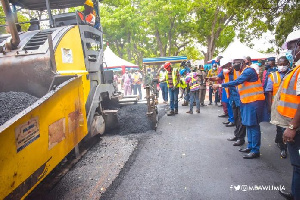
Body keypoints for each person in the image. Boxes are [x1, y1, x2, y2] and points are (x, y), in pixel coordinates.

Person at [270, 29, 300, 200]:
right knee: (297, 165)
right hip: (293, 124)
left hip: (295, 126)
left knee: (298, 165)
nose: (291, 52)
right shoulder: (296, 69)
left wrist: (292, 127)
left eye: (292, 47)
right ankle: (295, 192)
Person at [221, 58, 268, 159]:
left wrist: (221, 85)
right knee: (248, 124)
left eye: (237, 63)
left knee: (253, 125)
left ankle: (255, 150)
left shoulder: (249, 71)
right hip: (247, 101)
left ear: (243, 63)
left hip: (254, 101)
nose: (234, 65)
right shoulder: (243, 71)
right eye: (234, 63)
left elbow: (237, 82)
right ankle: (250, 146)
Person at [266, 56, 290, 159]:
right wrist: (270, 106)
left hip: (290, 105)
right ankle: (283, 148)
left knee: (287, 127)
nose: (282, 66)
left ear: (288, 64)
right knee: (280, 127)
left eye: (284, 64)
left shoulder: (292, 74)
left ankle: (280, 141)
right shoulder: (273, 76)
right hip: (277, 105)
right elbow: (269, 91)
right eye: (280, 64)